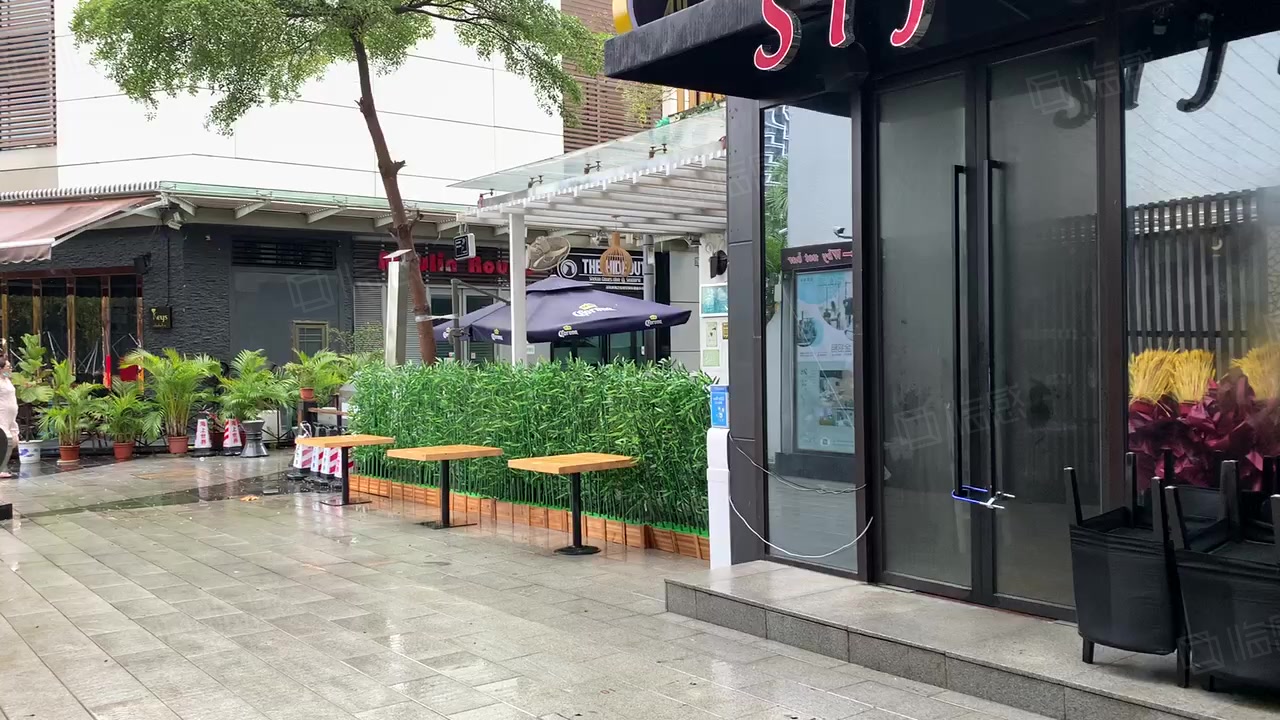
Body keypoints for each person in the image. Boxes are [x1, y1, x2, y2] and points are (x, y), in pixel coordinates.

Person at [0, 354, 17, 478]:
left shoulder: (7, 379)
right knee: (6, 440)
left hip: (11, 415)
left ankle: (3, 466)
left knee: (14, 440)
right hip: (2, 414)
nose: (10, 369)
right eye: (7, 367)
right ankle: (1, 468)